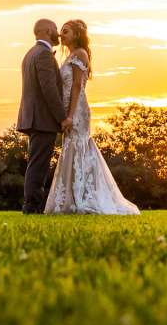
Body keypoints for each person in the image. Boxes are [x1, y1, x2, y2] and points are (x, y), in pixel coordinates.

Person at [42, 19, 138, 216]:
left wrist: (69, 115)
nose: (61, 35)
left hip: (77, 110)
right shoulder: (68, 57)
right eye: (61, 31)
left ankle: (82, 197)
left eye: (66, 31)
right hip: (69, 107)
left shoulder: (80, 54)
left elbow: (77, 86)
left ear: (77, 35)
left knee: (78, 147)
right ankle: (70, 197)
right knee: (72, 148)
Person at [16, 18, 66, 211]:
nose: (57, 33)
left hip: (33, 117)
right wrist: (62, 118)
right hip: (42, 119)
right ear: (46, 31)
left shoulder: (31, 53)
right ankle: (32, 206)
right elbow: (49, 90)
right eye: (54, 28)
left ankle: (32, 204)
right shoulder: (44, 54)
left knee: (36, 162)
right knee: (38, 164)